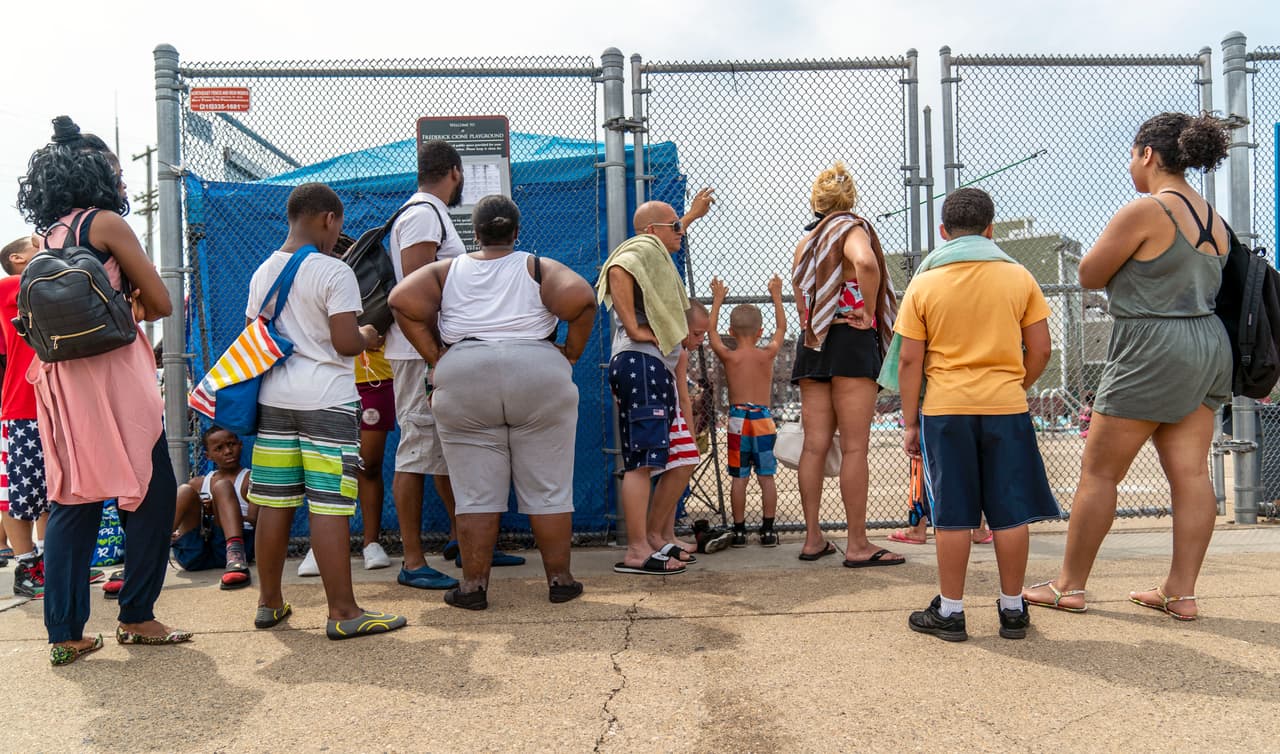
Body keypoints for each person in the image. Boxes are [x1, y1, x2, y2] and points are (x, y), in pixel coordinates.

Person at [1023, 113, 1232, 621]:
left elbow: (1090, 271)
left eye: (1132, 155)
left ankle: (1069, 585)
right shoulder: (1214, 218)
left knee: (1099, 473)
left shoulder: (1145, 210)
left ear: (1147, 154)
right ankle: (1180, 592)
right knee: (1191, 474)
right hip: (1207, 343)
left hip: (1151, 344)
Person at [18, 116, 188, 665]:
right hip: (116, 373)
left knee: (74, 497)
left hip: (65, 382)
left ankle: (65, 635)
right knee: (153, 490)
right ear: (96, 173)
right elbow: (161, 303)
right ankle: (137, 616)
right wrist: (134, 300)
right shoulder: (108, 224)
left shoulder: (46, 238)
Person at [389, 194, 597, 609]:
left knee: (474, 493)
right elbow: (582, 299)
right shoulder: (536, 267)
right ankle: (560, 581)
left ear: (475, 234)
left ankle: (472, 588)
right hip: (537, 370)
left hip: (466, 373)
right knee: (549, 487)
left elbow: (400, 301)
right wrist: (571, 353)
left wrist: (436, 357)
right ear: (517, 233)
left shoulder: (449, 270)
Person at [893, 188, 1060, 642]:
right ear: (991, 229)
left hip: (946, 409)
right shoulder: (1019, 276)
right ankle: (1012, 610)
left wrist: (910, 421)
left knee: (952, 514)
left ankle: (950, 612)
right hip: (1005, 406)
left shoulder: (924, 284)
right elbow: (1041, 348)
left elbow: (909, 361)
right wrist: (1014, 385)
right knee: (1010, 513)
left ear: (943, 233)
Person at [244, 182, 405, 640]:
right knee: (329, 506)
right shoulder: (334, 273)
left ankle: (269, 603)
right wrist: (369, 335)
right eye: (339, 228)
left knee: (274, 503)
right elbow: (343, 342)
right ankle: (343, 611)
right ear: (328, 219)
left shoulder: (262, 273)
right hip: (327, 402)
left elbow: (258, 338)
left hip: (274, 398)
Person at [383, 140, 521, 591]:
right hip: (420, 352)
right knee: (416, 450)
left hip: (433, 351)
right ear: (456, 172)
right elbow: (418, 289)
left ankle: (468, 542)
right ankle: (412, 560)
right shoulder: (423, 214)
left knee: (443, 452)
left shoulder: (429, 213)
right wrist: (435, 354)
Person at [789, 162, 904, 567]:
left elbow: (802, 293)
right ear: (849, 199)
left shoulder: (807, 240)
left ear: (816, 201)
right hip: (850, 339)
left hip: (813, 342)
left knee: (814, 444)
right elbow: (867, 264)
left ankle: (812, 538)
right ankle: (857, 544)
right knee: (855, 446)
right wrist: (870, 311)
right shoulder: (853, 229)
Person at [597, 192, 719, 575]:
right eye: (674, 226)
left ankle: (649, 541)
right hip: (641, 365)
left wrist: (690, 217)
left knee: (649, 460)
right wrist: (635, 328)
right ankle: (636, 550)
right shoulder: (640, 247)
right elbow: (618, 265)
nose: (680, 231)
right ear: (652, 231)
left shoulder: (653, 249)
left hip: (651, 367)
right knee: (640, 464)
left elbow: (665, 233)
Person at [295, 233, 392, 575]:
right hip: (325, 384)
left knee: (367, 464)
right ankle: (320, 547)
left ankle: (371, 542)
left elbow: (379, 332)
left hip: (372, 381)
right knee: (324, 470)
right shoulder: (304, 283)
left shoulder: (370, 285)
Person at [708, 274, 786, 547]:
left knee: (739, 478)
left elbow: (712, 333)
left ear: (732, 332)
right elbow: (781, 329)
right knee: (766, 477)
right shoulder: (767, 354)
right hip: (763, 418)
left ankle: (739, 531)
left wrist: (717, 300)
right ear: (759, 332)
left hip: (738, 418)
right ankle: (767, 530)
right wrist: (777, 295)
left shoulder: (729, 356)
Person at [0, 234, 48, 597]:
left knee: (52, 490)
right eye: (35, 247)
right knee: (20, 493)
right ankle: (25, 566)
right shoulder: (11, 287)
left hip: (52, 405)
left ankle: (49, 561)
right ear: (17, 258)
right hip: (23, 407)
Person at [170, 427, 257, 589]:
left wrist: (218, 510)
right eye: (219, 448)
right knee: (184, 490)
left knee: (222, 487)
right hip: (194, 552)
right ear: (208, 456)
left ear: (240, 445)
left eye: (231, 444)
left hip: (232, 548)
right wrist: (202, 515)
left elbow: (254, 521)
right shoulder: (198, 483)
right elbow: (189, 519)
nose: (228, 451)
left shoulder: (249, 479)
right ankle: (152, 552)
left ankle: (235, 552)